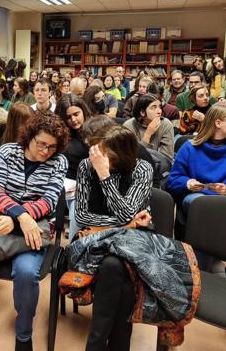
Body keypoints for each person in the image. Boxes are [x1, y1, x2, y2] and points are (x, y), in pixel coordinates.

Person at [0, 112, 68, 351]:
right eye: (41, 144)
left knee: (27, 274)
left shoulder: (59, 161)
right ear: (29, 136)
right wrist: (21, 216)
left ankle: (24, 335)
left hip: (33, 230)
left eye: (52, 147)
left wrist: (18, 219)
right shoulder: (8, 152)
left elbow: (49, 200)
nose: (46, 151)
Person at [74, 124, 153, 351]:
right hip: (93, 244)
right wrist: (125, 224)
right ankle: (116, 345)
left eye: (105, 153)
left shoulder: (142, 169)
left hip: (130, 242)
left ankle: (96, 343)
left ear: (122, 155)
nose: (97, 156)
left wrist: (105, 176)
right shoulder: (86, 166)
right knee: (116, 269)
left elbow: (127, 214)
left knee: (115, 266)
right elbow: (81, 215)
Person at [168, 102, 226, 271]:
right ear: (218, 123)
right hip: (198, 202)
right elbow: (174, 180)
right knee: (199, 204)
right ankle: (221, 264)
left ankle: (200, 271)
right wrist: (188, 183)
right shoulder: (190, 148)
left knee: (205, 210)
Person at [0, 103, 35, 204]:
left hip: (20, 172)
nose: (29, 126)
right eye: (26, 123)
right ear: (15, 123)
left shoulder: (32, 133)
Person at [55, 94, 92, 240]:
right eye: (68, 117)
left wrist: (84, 183)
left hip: (88, 181)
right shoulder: (59, 133)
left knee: (79, 207)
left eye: (76, 114)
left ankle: (74, 248)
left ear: (83, 110)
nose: (73, 120)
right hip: (64, 180)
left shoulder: (94, 128)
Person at [124, 94, 174, 163]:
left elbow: (167, 158)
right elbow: (129, 157)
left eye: (159, 107)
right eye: (153, 107)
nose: (159, 111)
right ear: (142, 112)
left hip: (160, 168)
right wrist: (147, 135)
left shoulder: (166, 124)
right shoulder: (129, 125)